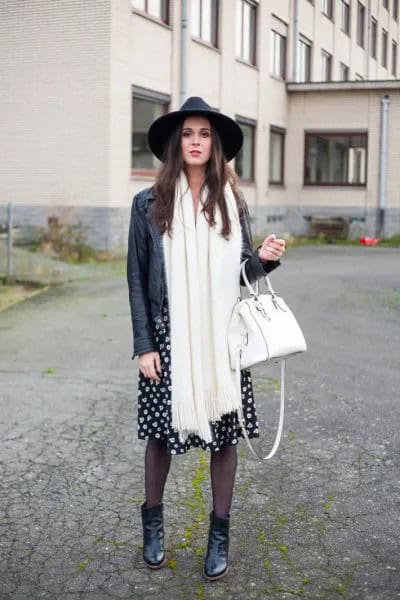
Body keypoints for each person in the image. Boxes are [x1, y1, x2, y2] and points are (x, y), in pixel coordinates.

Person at [127, 97, 286, 580]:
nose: (196, 141)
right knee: (159, 435)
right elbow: (136, 277)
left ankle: (219, 535)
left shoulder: (232, 204)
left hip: (223, 340)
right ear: (177, 143)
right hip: (168, 337)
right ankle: (152, 528)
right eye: (188, 134)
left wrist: (267, 258)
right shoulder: (148, 203)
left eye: (205, 134)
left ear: (214, 145)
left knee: (225, 436)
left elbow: (244, 272)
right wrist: (143, 345)